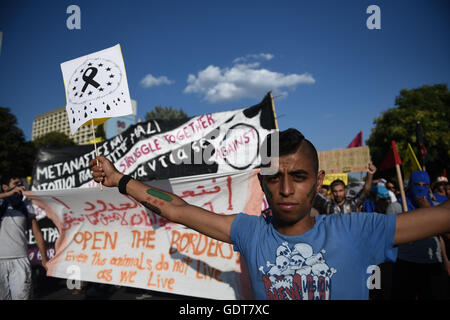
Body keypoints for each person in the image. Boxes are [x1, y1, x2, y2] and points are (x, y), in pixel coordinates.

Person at [90, 128, 450, 300]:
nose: (287, 189)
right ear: (261, 184)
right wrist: (120, 180)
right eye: (274, 178)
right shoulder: (250, 232)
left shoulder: (356, 229)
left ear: (319, 180)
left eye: (299, 176)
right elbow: (176, 208)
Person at [391, 170, 448, 299]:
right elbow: (389, 236)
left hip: (432, 263)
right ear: (410, 185)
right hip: (406, 262)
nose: (421, 189)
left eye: (425, 185)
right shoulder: (396, 207)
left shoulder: (438, 208)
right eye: (417, 185)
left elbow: (442, 236)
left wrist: (445, 260)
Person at [0, 175, 48, 300]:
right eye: (15, 183)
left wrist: (44, 258)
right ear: (5, 187)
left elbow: (37, 232)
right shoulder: (1, 202)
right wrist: (7, 195)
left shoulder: (26, 205)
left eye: (20, 183)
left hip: (20, 260)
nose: (19, 186)